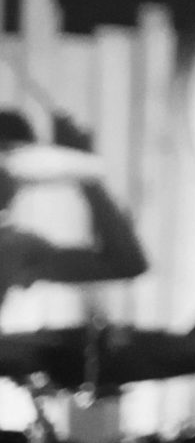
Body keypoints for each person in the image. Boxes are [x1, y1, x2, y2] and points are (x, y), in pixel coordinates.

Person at [0, 109, 148, 301]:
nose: (14, 182)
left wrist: (85, 171)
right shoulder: (13, 248)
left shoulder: (14, 248)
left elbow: (125, 263)